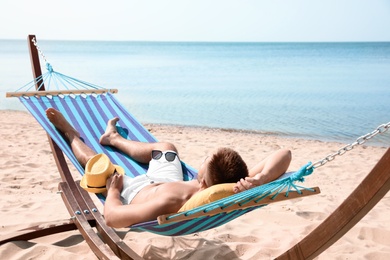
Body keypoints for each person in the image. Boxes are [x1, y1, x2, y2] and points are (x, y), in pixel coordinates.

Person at [46, 108, 291, 228]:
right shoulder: (233, 185)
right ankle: (113, 138)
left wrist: (112, 192)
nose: (203, 159)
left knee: (98, 166)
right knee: (166, 147)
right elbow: (284, 154)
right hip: (165, 180)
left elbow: (113, 218)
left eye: (205, 160)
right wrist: (260, 179)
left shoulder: (169, 203)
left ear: (203, 181)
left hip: (137, 191)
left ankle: (71, 133)